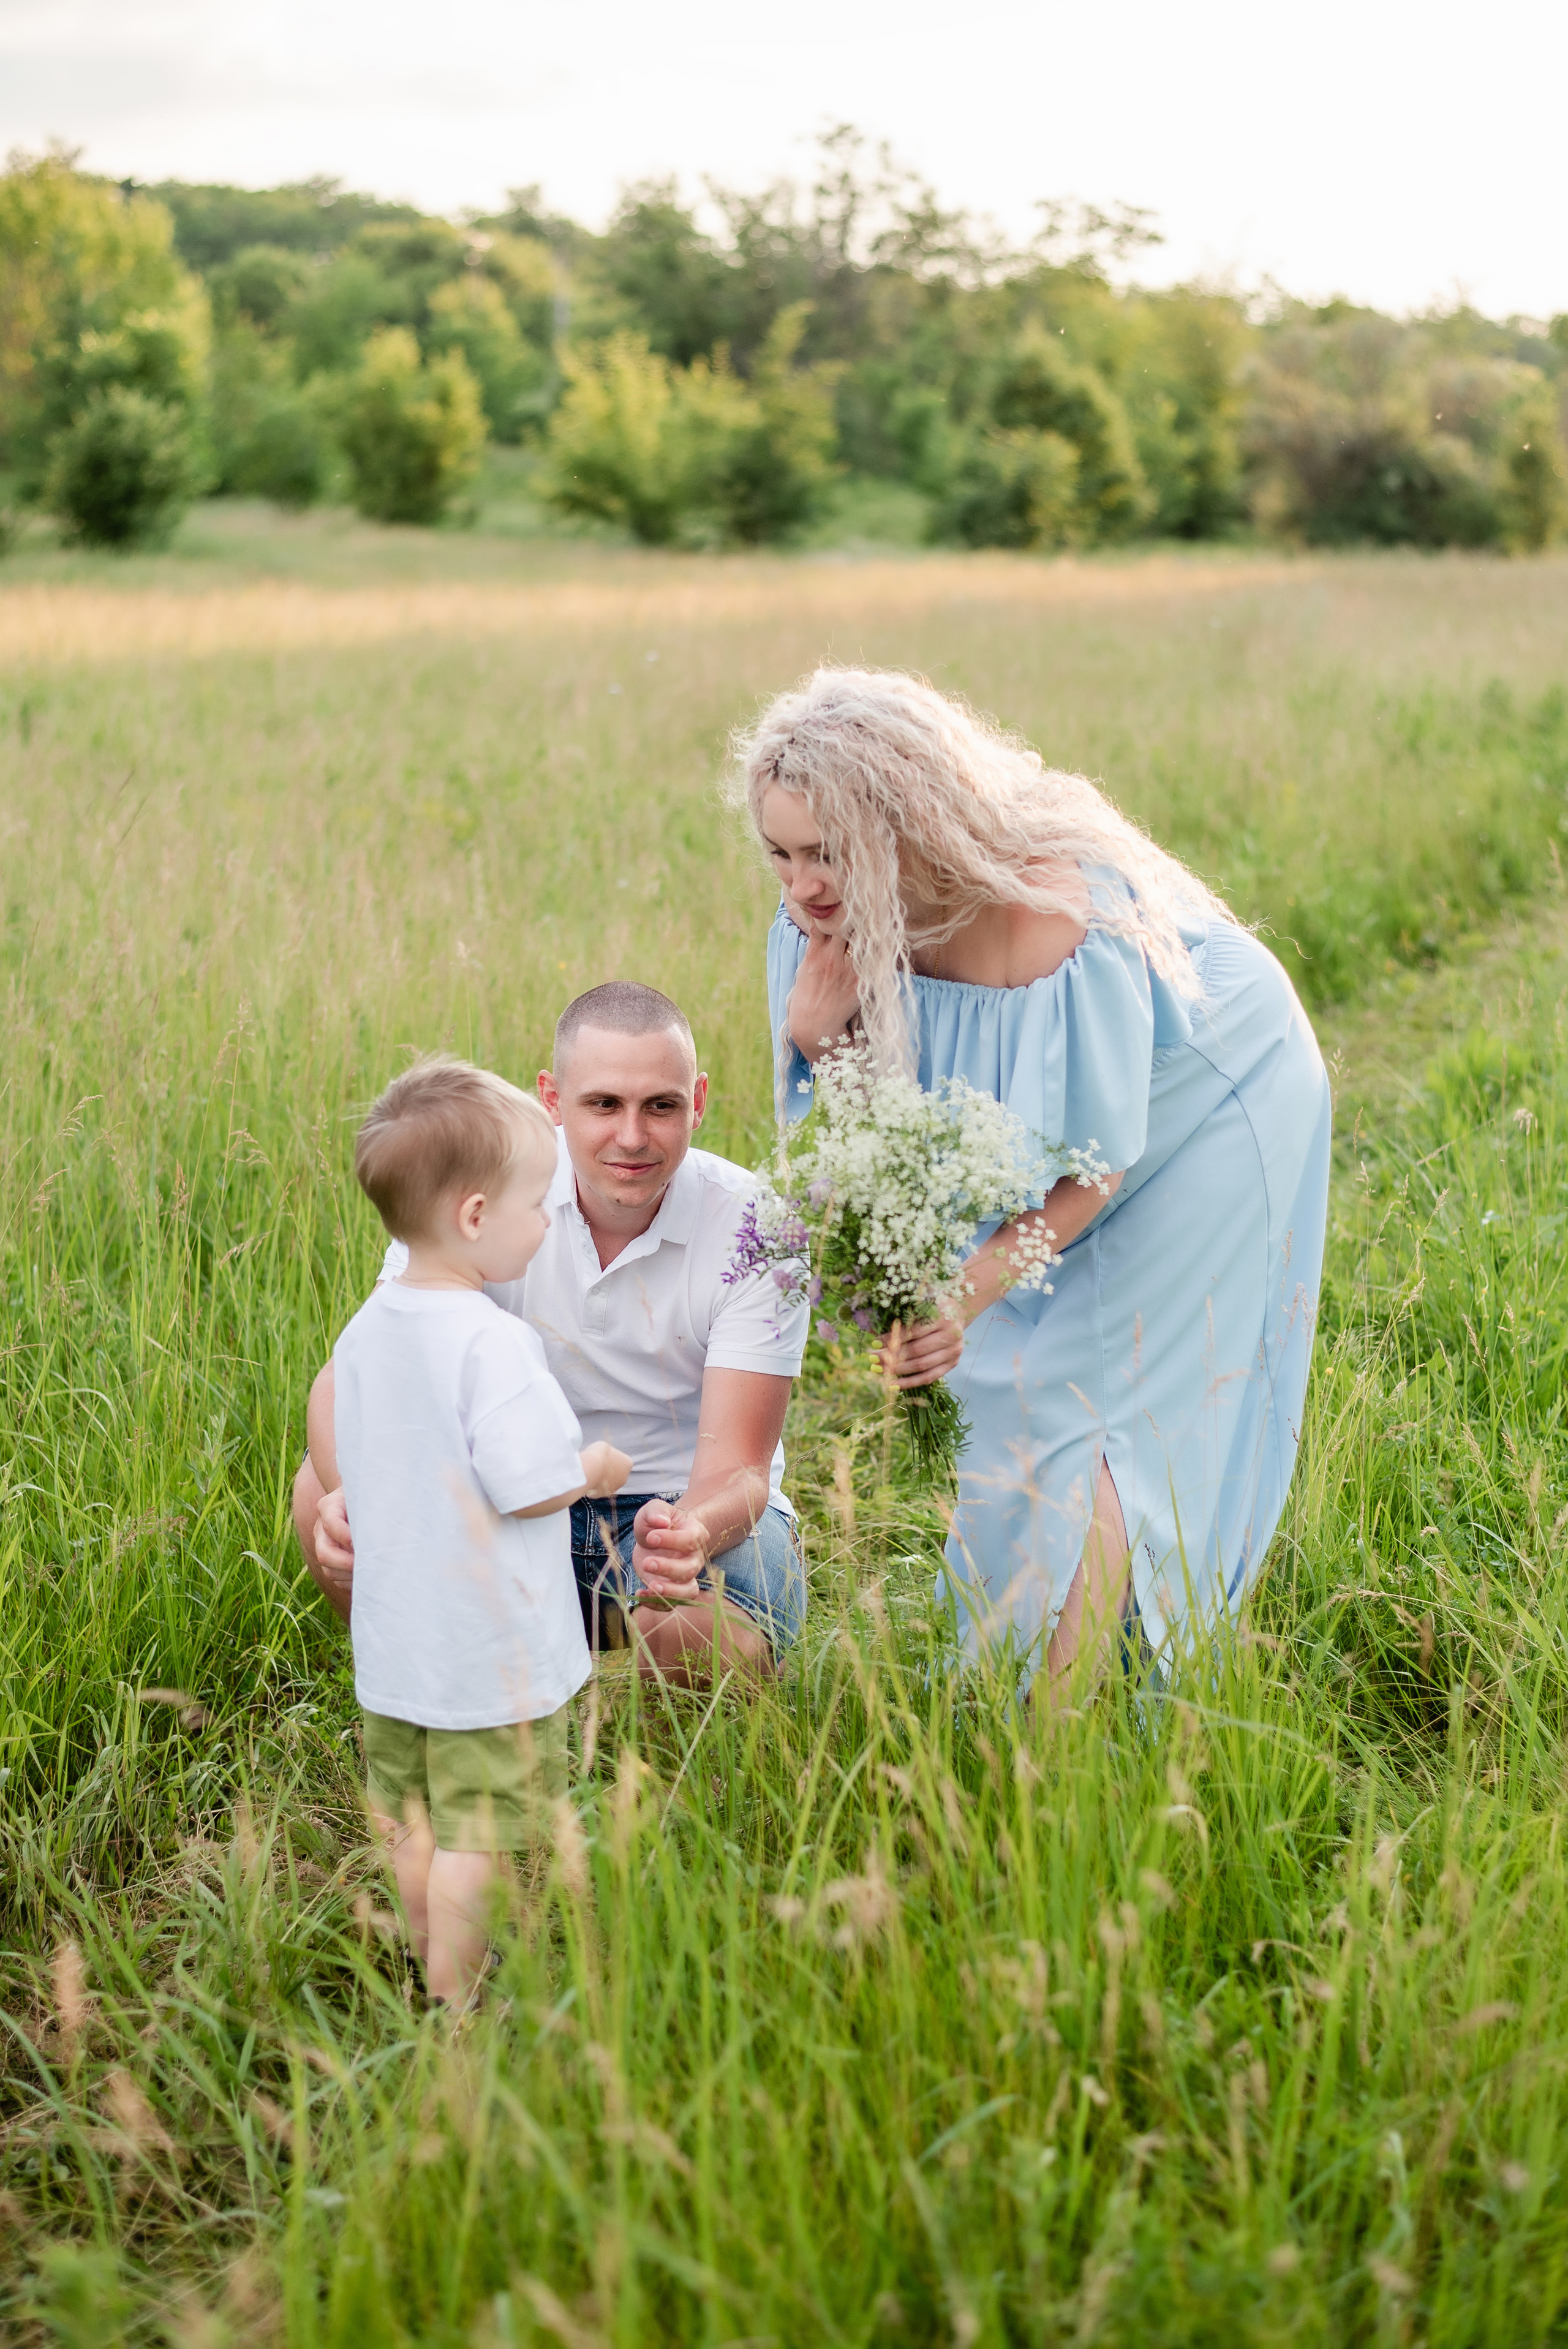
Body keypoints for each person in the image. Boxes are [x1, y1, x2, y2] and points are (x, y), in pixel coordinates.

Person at [733, 666, 1332, 1692]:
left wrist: (962, 1296)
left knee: (1105, 1397)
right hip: (1053, 1139)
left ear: (911, 827)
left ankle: (1070, 1724)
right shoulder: (816, 935)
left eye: (827, 854)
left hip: (1207, 1097)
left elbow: (1097, 1164)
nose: (801, 887)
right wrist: (818, 1041)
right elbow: (862, 1161)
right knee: (1005, 1382)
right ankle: (1016, 1678)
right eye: (780, 855)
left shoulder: (1041, 920)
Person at [294, 983, 809, 1685]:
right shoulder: (484, 1197)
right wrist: (347, 1496)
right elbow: (354, 1380)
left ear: (698, 1100)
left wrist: (690, 1532)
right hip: (510, 1496)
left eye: (660, 1105)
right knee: (316, 1491)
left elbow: (740, 1468)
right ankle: (443, 1702)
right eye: (603, 1104)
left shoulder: (758, 1226)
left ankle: (676, 1777)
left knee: (693, 1629)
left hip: (671, 1510)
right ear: (551, 1097)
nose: (632, 1136)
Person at [334, 1057, 631, 2005]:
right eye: (537, 1204)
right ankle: (459, 1996)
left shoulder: (367, 1330)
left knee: (411, 1817)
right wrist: (598, 1470)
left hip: (393, 1646)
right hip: (484, 1656)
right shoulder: (494, 1340)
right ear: (474, 1216)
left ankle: (425, 1953)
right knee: (478, 1833)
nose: (548, 1221)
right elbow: (533, 1486)